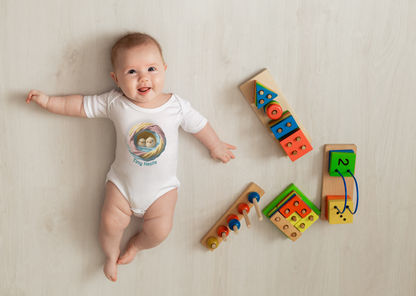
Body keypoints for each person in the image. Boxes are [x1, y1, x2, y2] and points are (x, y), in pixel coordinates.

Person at [26, 32, 236, 282]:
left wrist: (216, 145)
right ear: (116, 78)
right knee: (109, 223)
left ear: (165, 69)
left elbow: (199, 125)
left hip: (162, 191)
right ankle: (111, 254)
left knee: (160, 231)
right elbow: (81, 105)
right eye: (132, 72)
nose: (144, 77)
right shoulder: (115, 102)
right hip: (122, 187)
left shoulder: (176, 106)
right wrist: (49, 101)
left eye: (151, 68)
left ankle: (136, 246)